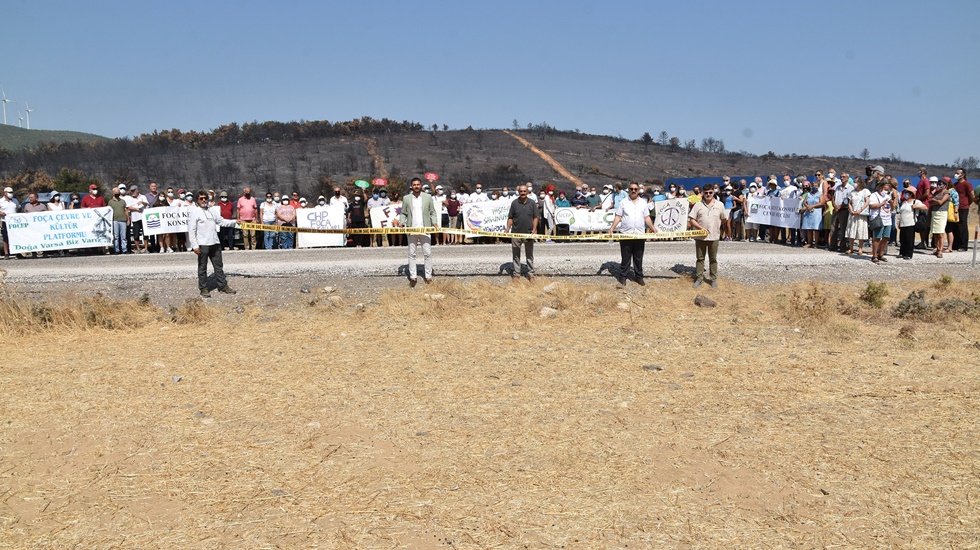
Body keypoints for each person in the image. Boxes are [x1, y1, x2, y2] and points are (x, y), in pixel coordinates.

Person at [188, 190, 237, 297]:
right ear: (197, 200)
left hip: (215, 243)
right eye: (201, 198)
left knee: (219, 267)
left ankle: (223, 286)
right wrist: (195, 246)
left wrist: (235, 222)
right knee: (202, 268)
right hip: (203, 244)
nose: (204, 200)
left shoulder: (212, 210)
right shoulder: (194, 212)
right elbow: (191, 230)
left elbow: (221, 221)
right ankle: (204, 288)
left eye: (205, 198)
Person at [608, 182, 656, 287]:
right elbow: (618, 216)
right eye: (631, 189)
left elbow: (647, 217)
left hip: (639, 235)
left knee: (638, 257)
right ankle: (623, 277)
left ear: (638, 190)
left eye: (635, 189)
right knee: (625, 258)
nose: (633, 191)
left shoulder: (643, 203)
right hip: (626, 234)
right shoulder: (623, 202)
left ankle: (639, 277)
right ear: (628, 190)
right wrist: (612, 228)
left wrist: (653, 228)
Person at [395, 177, 437, 285]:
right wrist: (402, 222)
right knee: (411, 253)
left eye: (418, 184)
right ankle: (413, 277)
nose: (416, 186)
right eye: (414, 185)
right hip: (411, 229)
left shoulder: (427, 197)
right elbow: (403, 213)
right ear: (411, 186)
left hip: (425, 229)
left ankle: (428, 276)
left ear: (421, 185)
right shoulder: (407, 198)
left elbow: (432, 212)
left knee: (427, 253)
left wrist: (435, 223)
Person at [688, 186, 727, 288]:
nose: (708, 194)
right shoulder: (698, 205)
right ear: (703, 193)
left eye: (710, 192)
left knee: (713, 258)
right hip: (700, 237)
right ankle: (699, 278)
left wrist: (718, 228)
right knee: (700, 258)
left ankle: (713, 279)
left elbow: (723, 219)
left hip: (714, 236)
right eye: (706, 193)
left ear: (713, 193)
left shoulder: (720, 205)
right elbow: (692, 219)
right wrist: (700, 228)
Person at [506, 184, 539, 280]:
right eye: (521, 191)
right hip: (516, 233)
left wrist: (534, 229)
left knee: (529, 255)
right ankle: (516, 274)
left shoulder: (532, 203)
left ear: (527, 192)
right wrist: (508, 228)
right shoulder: (514, 203)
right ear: (518, 192)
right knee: (516, 255)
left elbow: (536, 217)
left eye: (524, 191)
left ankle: (531, 273)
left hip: (528, 233)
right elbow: (510, 217)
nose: (523, 193)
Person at [868, 180, 895, 263]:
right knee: (877, 237)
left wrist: (892, 202)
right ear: (881, 187)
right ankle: (874, 255)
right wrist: (881, 204)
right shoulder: (874, 195)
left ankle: (881, 254)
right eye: (885, 186)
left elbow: (893, 208)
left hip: (887, 219)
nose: (887, 188)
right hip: (879, 218)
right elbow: (871, 205)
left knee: (886, 237)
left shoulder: (887, 196)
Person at [896, 189, 928, 260]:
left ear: (911, 194)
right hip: (902, 223)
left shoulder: (916, 201)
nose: (905, 194)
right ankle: (902, 253)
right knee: (902, 239)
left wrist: (916, 207)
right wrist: (899, 222)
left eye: (907, 193)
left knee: (909, 240)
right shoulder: (904, 202)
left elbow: (925, 207)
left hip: (911, 223)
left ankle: (908, 254)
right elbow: (901, 212)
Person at [845, 178, 872, 256]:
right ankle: (851, 248)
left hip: (861, 214)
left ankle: (860, 249)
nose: (854, 183)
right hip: (853, 214)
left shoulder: (865, 191)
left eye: (856, 182)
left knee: (860, 230)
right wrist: (851, 210)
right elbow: (849, 203)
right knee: (851, 230)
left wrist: (860, 210)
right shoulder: (852, 192)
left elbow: (867, 202)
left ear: (860, 183)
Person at [928, 179, 950, 258]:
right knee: (935, 233)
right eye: (938, 184)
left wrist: (934, 200)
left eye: (941, 184)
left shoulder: (946, 192)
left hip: (942, 213)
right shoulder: (936, 192)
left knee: (940, 232)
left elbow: (941, 202)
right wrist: (934, 199)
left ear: (945, 185)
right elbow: (930, 201)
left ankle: (940, 250)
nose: (939, 185)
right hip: (934, 212)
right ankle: (937, 249)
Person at [953, 168, 973, 251]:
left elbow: (972, 196)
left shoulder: (967, 184)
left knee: (963, 226)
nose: (956, 174)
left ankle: (964, 245)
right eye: (956, 172)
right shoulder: (955, 184)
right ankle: (956, 244)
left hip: (963, 208)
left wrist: (967, 203)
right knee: (955, 226)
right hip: (955, 207)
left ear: (963, 174)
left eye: (958, 173)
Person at [107, 186, 129, 254]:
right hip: (114, 220)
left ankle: (124, 249)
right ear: (113, 193)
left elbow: (126, 211)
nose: (117, 193)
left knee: (123, 236)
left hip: (123, 220)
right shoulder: (110, 202)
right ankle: (116, 250)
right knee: (116, 236)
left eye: (118, 192)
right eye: (116, 192)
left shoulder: (123, 201)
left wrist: (127, 219)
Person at [0, 187, 18, 259]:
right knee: (5, 238)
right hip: (5, 221)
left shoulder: (15, 200)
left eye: (12, 192)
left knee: (15, 237)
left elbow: (18, 208)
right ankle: (6, 253)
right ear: (5, 193)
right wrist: (0, 213)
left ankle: (17, 252)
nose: (11, 194)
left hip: (14, 222)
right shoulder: (0, 201)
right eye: (9, 192)